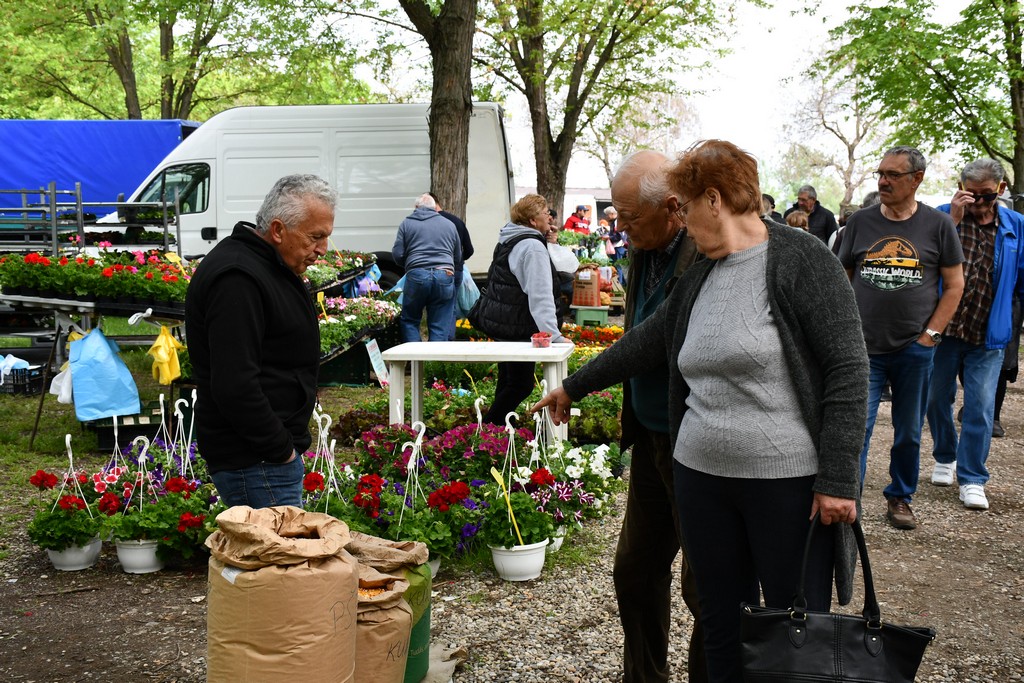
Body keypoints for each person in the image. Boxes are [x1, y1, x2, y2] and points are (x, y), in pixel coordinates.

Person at [536, 140, 868, 683]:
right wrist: (575, 385)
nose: (682, 222)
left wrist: (837, 477)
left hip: (785, 484)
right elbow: (648, 341)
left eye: (686, 208)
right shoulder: (700, 278)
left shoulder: (803, 261)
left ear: (712, 200)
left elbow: (849, 372)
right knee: (720, 624)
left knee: (794, 624)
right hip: (701, 480)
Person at [595, 150, 705, 682]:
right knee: (636, 573)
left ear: (673, 206)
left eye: (630, 218)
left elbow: (653, 338)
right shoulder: (647, 244)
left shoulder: (706, 252)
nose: (621, 228)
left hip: (695, 443)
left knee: (706, 587)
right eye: (618, 215)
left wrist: (576, 383)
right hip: (650, 438)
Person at [184, 174, 336, 508]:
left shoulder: (268, 265)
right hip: (256, 461)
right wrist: (280, 450)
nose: (322, 249)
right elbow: (235, 384)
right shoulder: (238, 278)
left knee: (271, 558)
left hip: (263, 458)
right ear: (278, 230)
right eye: (316, 237)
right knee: (276, 558)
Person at [837, 146, 965, 530]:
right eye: (881, 173)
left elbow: (955, 285)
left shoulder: (938, 225)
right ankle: (848, 502)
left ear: (917, 179)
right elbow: (841, 278)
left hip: (914, 349)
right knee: (855, 428)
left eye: (893, 174)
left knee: (908, 432)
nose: (883, 180)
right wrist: (843, 330)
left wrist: (930, 335)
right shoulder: (860, 223)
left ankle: (900, 497)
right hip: (863, 349)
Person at [925, 158, 1024, 511]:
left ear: (999, 189)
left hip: (988, 332)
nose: (979, 202)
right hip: (944, 328)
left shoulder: (1016, 226)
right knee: (936, 399)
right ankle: (945, 456)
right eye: (971, 193)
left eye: (986, 195)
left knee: (980, 408)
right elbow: (924, 264)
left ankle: (972, 477)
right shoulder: (940, 216)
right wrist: (951, 220)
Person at [469, 193, 567, 424]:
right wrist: (554, 335)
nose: (550, 220)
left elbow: (564, 267)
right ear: (533, 220)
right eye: (545, 215)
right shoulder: (532, 247)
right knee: (520, 385)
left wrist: (551, 243)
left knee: (509, 382)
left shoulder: (511, 238)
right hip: (519, 326)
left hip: (505, 323)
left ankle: (501, 433)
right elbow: (540, 295)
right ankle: (487, 430)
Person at [392, 193, 460, 342]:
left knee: (410, 319)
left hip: (417, 275)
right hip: (445, 275)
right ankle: (434, 362)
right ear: (435, 207)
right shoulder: (449, 224)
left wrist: (411, 265)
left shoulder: (406, 223)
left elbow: (397, 254)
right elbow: (458, 257)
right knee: (440, 324)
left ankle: (416, 362)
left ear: (416, 207)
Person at [428, 192, 475, 341]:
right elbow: (469, 249)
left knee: (433, 306)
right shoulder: (457, 221)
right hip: (455, 270)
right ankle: (448, 340)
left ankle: (435, 341)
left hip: (433, 270)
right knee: (450, 306)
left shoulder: (427, 222)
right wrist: (459, 261)